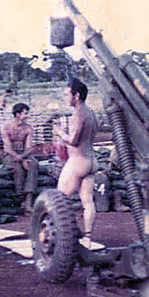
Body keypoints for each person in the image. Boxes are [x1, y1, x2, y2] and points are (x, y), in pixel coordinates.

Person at [55, 78, 98, 249]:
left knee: (59, 200)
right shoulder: (91, 113)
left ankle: (62, 236)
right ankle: (87, 237)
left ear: (77, 95)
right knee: (87, 201)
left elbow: (73, 140)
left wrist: (60, 132)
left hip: (78, 161)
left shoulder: (79, 114)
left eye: (67, 94)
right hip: (91, 160)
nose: (65, 98)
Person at [1, 103, 39, 214]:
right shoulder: (6, 127)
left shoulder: (28, 129)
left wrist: (23, 157)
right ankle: (20, 197)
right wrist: (21, 160)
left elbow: (29, 147)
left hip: (23, 154)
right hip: (10, 155)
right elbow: (7, 148)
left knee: (34, 164)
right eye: (24, 113)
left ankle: (28, 201)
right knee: (17, 169)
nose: (27, 116)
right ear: (17, 114)